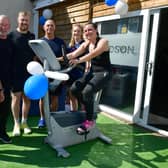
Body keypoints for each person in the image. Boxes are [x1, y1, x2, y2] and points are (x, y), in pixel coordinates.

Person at [67, 22, 111, 134]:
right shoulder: (86, 44)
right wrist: (52, 58)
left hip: (104, 72)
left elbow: (93, 54)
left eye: (90, 30)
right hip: (92, 72)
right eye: (85, 31)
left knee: (87, 92)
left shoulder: (103, 42)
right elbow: (73, 54)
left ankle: (89, 121)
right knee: (74, 89)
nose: (87, 32)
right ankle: (88, 108)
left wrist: (79, 61)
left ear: (96, 31)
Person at [8, 11, 36, 136]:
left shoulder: (32, 36)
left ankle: (25, 122)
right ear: (18, 20)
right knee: (15, 99)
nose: (24, 22)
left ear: (29, 21)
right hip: (15, 74)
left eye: (26, 20)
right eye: (22, 20)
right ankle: (16, 123)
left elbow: (35, 56)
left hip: (29, 74)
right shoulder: (11, 36)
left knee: (27, 99)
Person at [38, 19, 67, 128]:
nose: (49, 27)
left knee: (54, 98)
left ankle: (51, 118)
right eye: (47, 25)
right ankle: (42, 119)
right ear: (44, 27)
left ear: (55, 28)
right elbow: (36, 58)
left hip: (56, 74)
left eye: (51, 25)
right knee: (42, 97)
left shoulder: (60, 42)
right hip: (43, 74)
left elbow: (65, 59)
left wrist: (52, 60)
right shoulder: (40, 42)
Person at [66, 23, 85, 111]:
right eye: (74, 31)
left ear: (81, 33)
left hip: (81, 74)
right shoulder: (70, 46)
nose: (76, 33)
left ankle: (85, 117)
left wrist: (78, 62)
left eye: (78, 31)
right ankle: (73, 113)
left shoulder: (85, 45)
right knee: (71, 96)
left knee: (81, 97)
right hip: (71, 74)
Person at [0, 15, 13, 143]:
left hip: (7, 82)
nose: (3, 27)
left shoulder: (9, 40)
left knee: (4, 110)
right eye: (1, 24)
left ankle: (2, 132)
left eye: (5, 25)